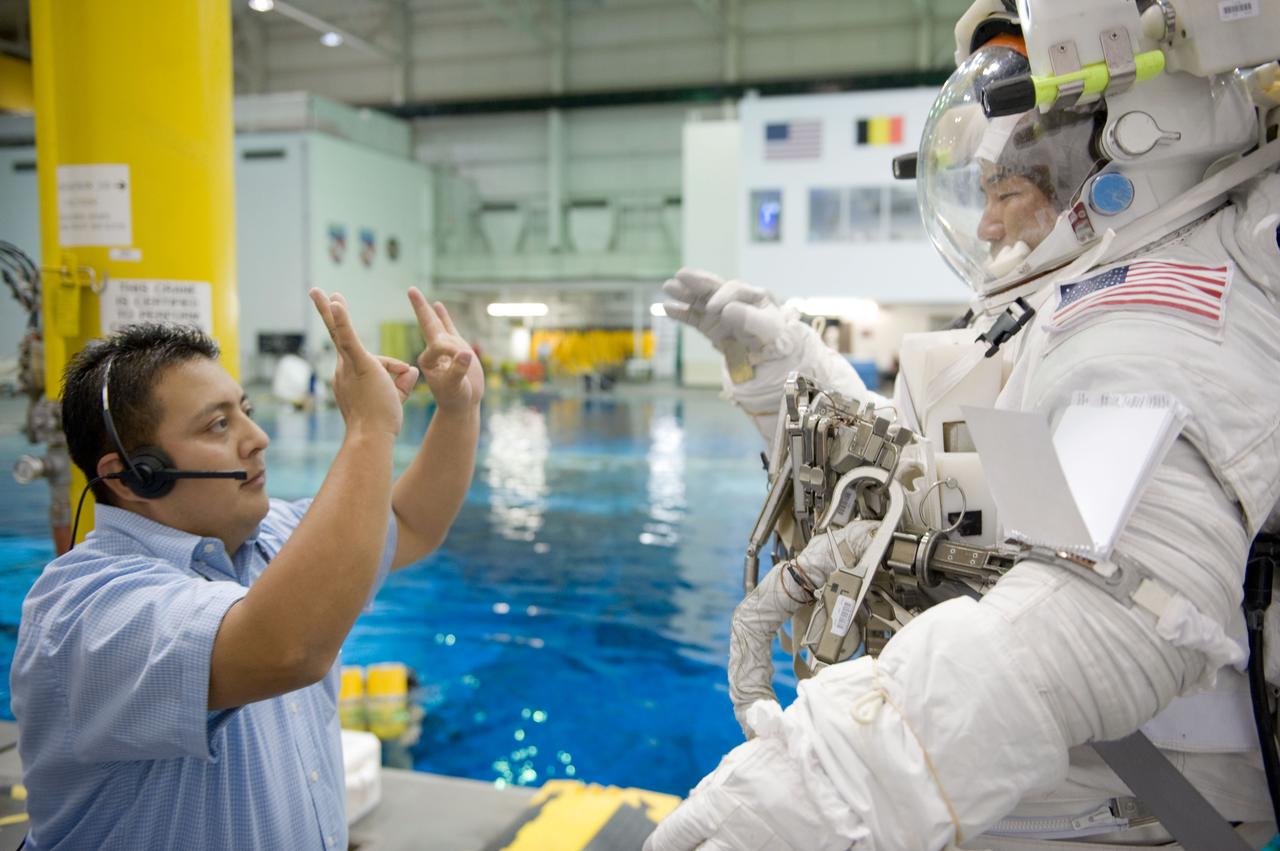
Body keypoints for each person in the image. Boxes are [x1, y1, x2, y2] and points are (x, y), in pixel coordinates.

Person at [651, 1, 1280, 848]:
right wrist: (785, 371)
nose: (987, 224)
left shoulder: (1158, 316)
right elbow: (921, 494)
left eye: (1007, 192)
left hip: (1131, 817)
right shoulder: (1076, 313)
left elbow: (1115, 609)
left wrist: (832, 787)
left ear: (1121, 166)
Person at [10, 286, 485, 850]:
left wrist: (458, 409)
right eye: (217, 426)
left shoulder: (269, 540)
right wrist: (368, 429)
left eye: (247, 412)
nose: (256, 439)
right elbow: (286, 649)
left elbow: (409, 524)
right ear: (132, 475)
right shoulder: (87, 611)